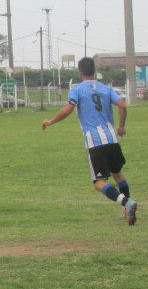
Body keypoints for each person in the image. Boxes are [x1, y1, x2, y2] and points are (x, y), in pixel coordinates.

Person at [41, 57, 137, 225]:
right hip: (112, 139)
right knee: (118, 173)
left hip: (95, 142)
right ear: (94, 71)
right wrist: (121, 127)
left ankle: (126, 203)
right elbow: (122, 105)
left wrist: (51, 121)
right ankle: (127, 209)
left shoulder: (77, 90)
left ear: (80, 72)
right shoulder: (106, 88)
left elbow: (68, 109)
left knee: (99, 183)